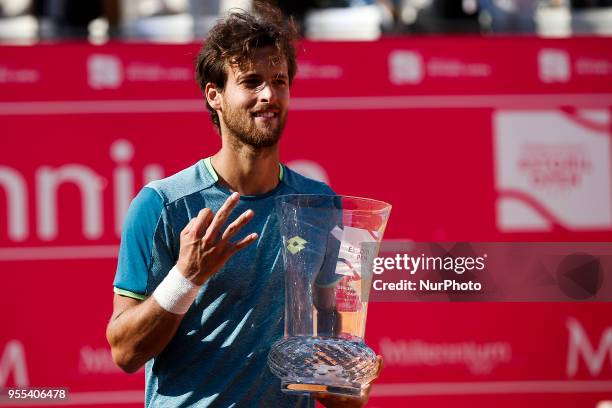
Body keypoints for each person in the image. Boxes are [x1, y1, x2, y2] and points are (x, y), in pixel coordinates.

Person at [106, 2, 380, 407]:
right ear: (214, 96)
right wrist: (187, 277)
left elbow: (337, 384)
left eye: (279, 80)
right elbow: (125, 353)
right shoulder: (161, 205)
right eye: (251, 81)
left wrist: (349, 377)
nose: (268, 94)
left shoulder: (322, 207)